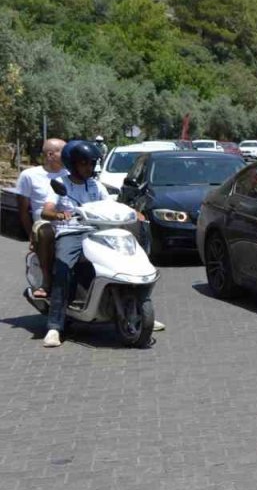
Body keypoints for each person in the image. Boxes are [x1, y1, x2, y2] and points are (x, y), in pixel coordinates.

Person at [40, 141, 163, 348]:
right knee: (63, 269)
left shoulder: (96, 185)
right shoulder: (61, 184)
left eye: (91, 163)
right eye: (84, 163)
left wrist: (134, 213)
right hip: (71, 233)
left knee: (128, 262)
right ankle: (55, 326)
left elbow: (110, 204)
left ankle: (137, 310)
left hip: (99, 231)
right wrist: (59, 214)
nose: (89, 167)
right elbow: (46, 210)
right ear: (72, 164)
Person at [16, 138, 68, 298]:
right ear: (51, 154)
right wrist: (31, 235)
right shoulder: (29, 175)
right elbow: (23, 210)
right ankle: (46, 282)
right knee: (45, 233)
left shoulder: (71, 174)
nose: (68, 155)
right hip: (44, 223)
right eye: (63, 151)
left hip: (70, 220)